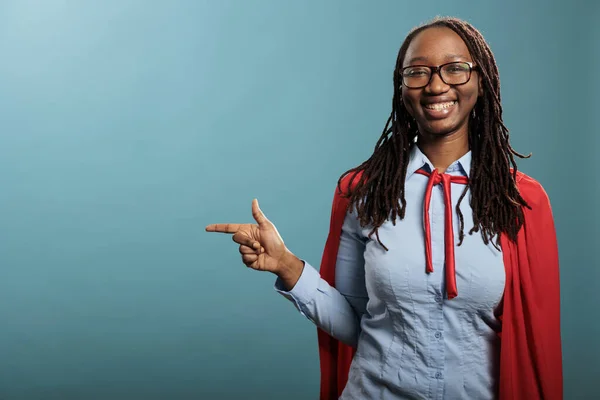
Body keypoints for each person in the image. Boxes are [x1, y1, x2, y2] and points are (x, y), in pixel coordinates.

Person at [205, 16, 562, 400]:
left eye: (455, 69)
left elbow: (533, 346)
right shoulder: (364, 192)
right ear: (401, 86)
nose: (436, 85)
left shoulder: (519, 200)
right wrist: (287, 266)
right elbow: (356, 323)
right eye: (418, 72)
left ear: (481, 81)